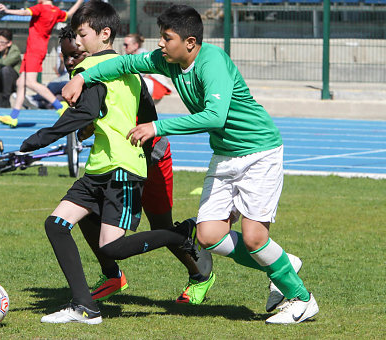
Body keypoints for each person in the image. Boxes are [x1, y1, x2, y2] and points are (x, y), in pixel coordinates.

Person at [62, 4, 319, 325]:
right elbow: (125, 62)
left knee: (254, 238)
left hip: (260, 152)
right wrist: (82, 77)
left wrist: (157, 127)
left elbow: (215, 116)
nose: (159, 44)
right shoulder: (168, 59)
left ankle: (302, 299)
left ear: (190, 42)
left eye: (166, 38)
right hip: (225, 155)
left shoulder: (213, 63)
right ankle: (280, 262)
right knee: (209, 235)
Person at [19, 1, 198, 324]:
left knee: (112, 248)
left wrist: (37, 140)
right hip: (100, 166)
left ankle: (179, 235)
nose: (77, 41)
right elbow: (139, 112)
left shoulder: (89, 68)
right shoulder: (126, 66)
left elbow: (86, 112)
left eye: (82, 34)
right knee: (56, 225)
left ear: (104, 34)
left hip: (121, 168)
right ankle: (84, 306)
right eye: (75, 35)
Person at [0, 0, 84, 128]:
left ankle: (59, 106)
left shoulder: (41, 8)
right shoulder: (55, 11)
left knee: (30, 82)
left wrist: (7, 11)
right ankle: (13, 117)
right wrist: (79, 1)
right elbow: (69, 14)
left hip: (34, 50)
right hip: (38, 49)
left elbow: (24, 12)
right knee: (21, 82)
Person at [123, 33, 172, 103]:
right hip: (147, 85)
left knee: (130, 84)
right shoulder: (128, 56)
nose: (124, 47)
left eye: (126, 45)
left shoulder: (143, 55)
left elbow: (142, 75)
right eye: (124, 45)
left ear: (136, 45)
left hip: (157, 86)